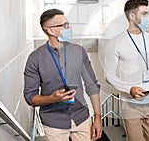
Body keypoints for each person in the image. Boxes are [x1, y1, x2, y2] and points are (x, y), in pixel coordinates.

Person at [23, 9, 102, 141]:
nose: (69, 28)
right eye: (64, 25)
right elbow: (30, 97)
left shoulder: (79, 51)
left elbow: (92, 86)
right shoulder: (35, 58)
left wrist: (98, 118)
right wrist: (52, 98)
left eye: (68, 24)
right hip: (53, 122)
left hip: (81, 117)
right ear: (50, 30)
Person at [104, 0, 149, 141]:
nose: (148, 17)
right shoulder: (116, 43)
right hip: (130, 103)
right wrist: (129, 88)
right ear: (132, 16)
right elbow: (109, 75)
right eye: (144, 14)